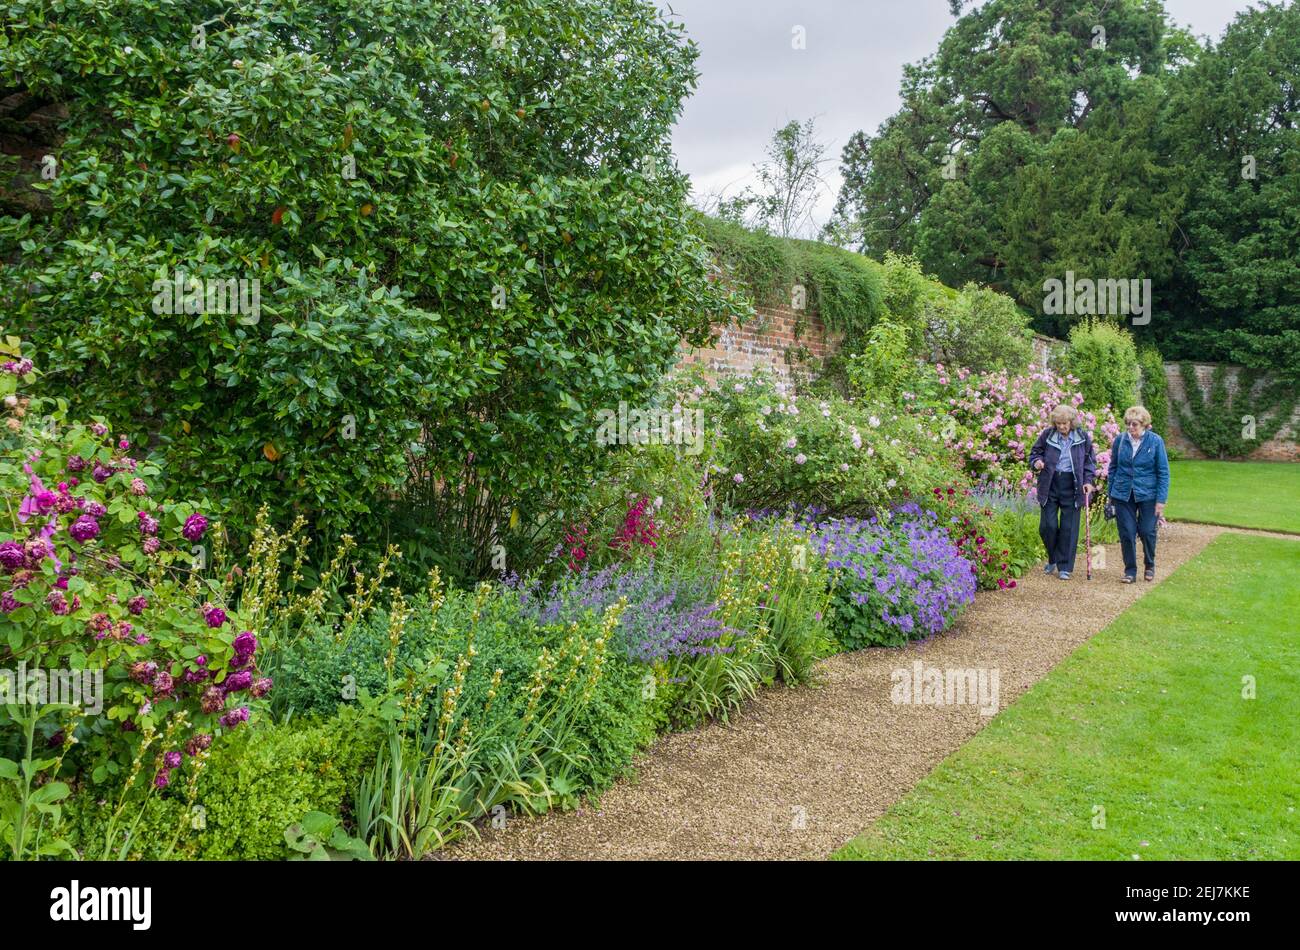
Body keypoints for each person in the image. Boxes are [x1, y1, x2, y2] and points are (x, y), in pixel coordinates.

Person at [1029, 405, 1097, 580]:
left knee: (1069, 527)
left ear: (1071, 422)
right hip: (1050, 483)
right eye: (1058, 423)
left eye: (1064, 423)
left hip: (1073, 485)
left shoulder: (1082, 437)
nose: (1061, 427)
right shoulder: (1048, 435)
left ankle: (1065, 566)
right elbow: (1035, 453)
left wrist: (1088, 482)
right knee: (1047, 526)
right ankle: (1053, 558)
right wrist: (1037, 462)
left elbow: (1090, 462)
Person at [1107, 405, 1170, 583]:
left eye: (1134, 424)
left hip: (1148, 494)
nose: (1131, 428)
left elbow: (1163, 472)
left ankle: (1149, 564)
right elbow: (1113, 468)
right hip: (1122, 494)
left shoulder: (1155, 441)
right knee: (1127, 532)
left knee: (1147, 531)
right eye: (1128, 424)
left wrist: (1161, 500)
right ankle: (1130, 571)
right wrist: (1111, 494)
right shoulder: (1120, 441)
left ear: (1144, 425)